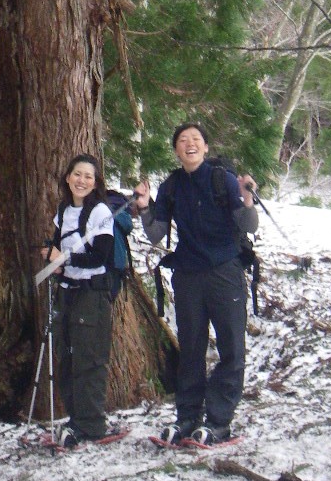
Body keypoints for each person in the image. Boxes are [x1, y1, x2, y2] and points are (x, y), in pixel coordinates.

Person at [133, 123, 259, 446]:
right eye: (182, 141)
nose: (189, 145)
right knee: (190, 348)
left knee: (231, 347)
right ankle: (187, 417)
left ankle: (218, 420)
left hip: (225, 271)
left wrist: (247, 198)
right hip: (188, 275)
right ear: (176, 150)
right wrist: (145, 205)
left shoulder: (223, 180)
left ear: (205, 147)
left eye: (196, 140)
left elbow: (248, 224)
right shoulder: (172, 185)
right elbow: (157, 233)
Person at [44, 153, 115, 447]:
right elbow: (58, 243)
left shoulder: (100, 213)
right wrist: (51, 256)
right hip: (67, 291)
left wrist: (66, 259)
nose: (82, 180)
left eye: (88, 176)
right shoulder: (63, 211)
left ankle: (92, 424)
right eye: (77, 174)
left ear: (95, 182)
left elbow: (102, 255)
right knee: (68, 356)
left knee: (89, 357)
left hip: (92, 293)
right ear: (67, 178)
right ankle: (76, 419)